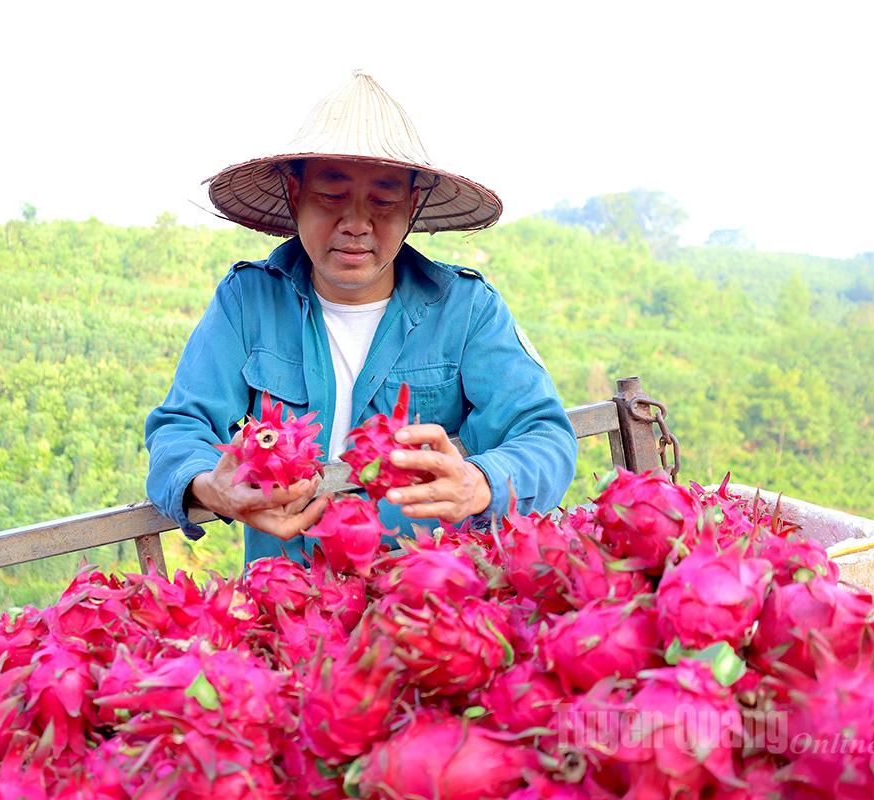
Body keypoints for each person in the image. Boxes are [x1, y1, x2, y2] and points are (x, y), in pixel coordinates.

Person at [145, 71, 578, 565]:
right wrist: (210, 486)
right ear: (294, 193)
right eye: (332, 195)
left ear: (413, 204)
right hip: (286, 608)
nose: (355, 224)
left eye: (384, 199)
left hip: (427, 603)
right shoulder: (247, 302)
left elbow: (545, 437)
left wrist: (478, 485)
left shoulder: (466, 309)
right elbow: (179, 428)